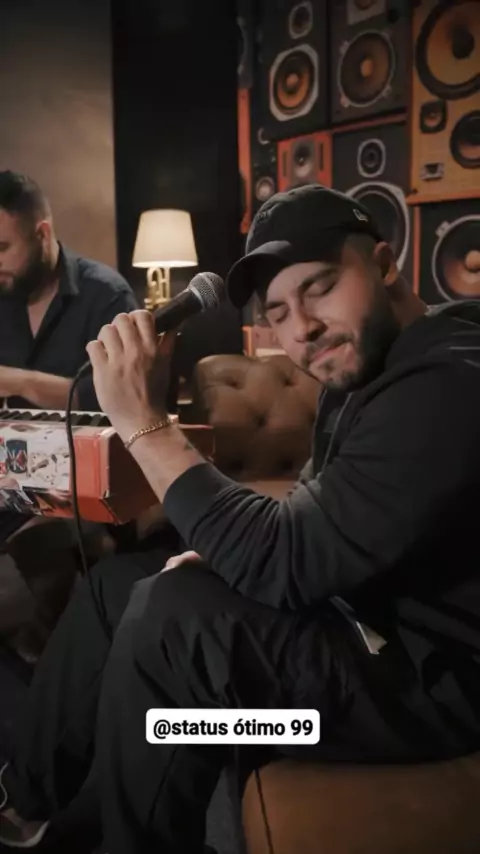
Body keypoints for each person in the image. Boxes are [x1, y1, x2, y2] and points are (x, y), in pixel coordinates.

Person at [1, 184, 480, 852]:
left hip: (431, 691)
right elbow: (313, 514)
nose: (302, 328)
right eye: (278, 312)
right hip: (361, 618)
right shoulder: (362, 371)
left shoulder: (448, 379)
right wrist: (226, 549)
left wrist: (144, 424)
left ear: (383, 263)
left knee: (174, 621)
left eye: (319, 287)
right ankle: (21, 804)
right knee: (118, 587)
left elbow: (286, 561)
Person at [0, 170, 138, 650]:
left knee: (42, 547)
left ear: (42, 234)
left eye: (2, 248)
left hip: (86, 474)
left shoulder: (108, 296)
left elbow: (121, 402)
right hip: (10, 466)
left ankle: (50, 660)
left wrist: (19, 381)